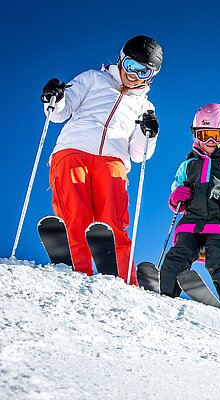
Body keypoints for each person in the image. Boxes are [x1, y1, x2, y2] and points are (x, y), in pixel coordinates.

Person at [41, 35, 162, 285]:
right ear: (120, 59)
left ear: (151, 76)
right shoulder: (92, 79)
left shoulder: (145, 106)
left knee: (112, 219)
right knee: (76, 210)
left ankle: (124, 278)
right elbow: (60, 113)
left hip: (112, 159)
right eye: (130, 66)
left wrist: (147, 132)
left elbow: (140, 154)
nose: (134, 75)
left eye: (143, 72)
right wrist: (55, 97)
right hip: (72, 149)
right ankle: (78, 266)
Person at [159, 103, 220, 310]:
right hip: (191, 222)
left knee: (219, 259)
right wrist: (177, 197)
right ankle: (164, 290)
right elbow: (175, 194)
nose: (210, 142)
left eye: (216, 135)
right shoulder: (188, 164)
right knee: (178, 253)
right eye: (204, 135)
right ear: (196, 135)